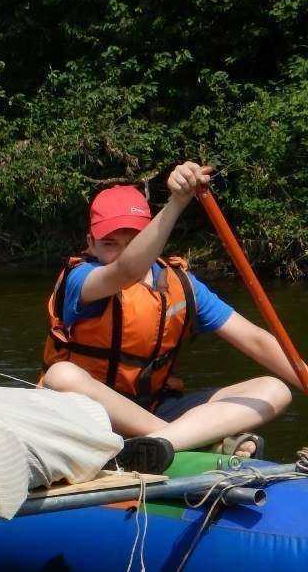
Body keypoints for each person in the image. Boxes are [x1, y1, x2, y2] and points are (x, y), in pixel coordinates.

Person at [41, 163, 299, 469]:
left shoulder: (181, 285)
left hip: (156, 408)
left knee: (274, 389)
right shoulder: (82, 278)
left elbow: (256, 340)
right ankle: (188, 439)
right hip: (87, 413)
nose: (123, 252)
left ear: (151, 236)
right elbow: (126, 271)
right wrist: (177, 201)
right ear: (90, 243)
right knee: (61, 376)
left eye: (135, 240)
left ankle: (159, 444)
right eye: (109, 244)